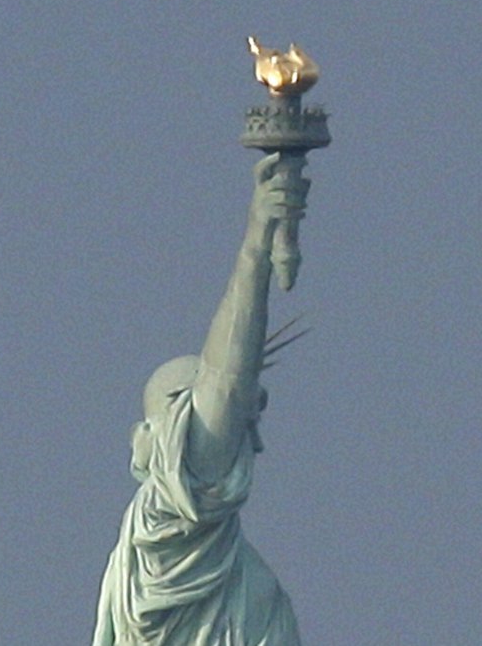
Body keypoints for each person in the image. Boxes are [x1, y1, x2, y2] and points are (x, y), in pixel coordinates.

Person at [93, 152, 304, 646]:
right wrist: (257, 240)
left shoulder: (258, 593)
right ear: (152, 441)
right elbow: (224, 385)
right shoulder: (164, 537)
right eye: (182, 410)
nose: (251, 444)